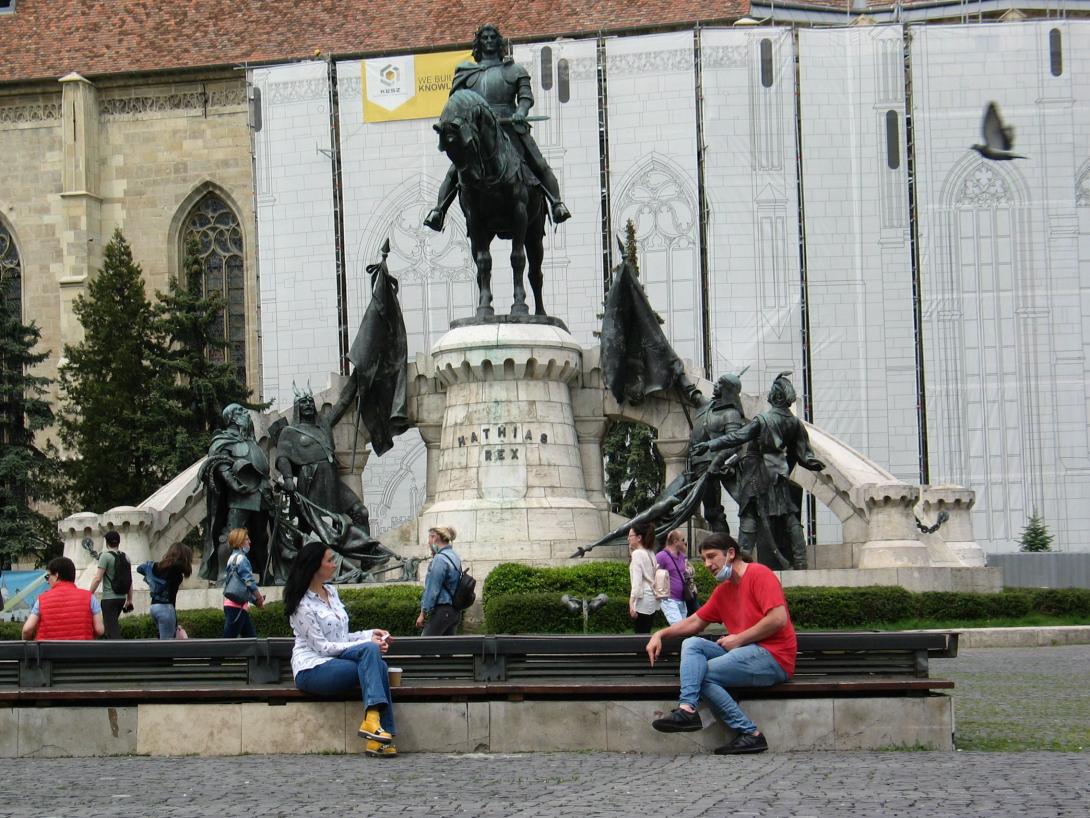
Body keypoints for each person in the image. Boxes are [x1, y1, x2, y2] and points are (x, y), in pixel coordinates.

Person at [645, 533, 796, 755]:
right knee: (693, 644)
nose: (707, 564)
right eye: (704, 559)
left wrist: (739, 638)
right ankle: (687, 709)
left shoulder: (759, 574)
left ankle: (750, 734)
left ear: (731, 553)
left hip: (774, 656)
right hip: (745, 653)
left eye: (712, 556)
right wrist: (660, 634)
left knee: (703, 674)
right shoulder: (724, 591)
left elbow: (778, 618)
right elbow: (695, 622)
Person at [423, 22, 571, 231]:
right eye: (485, 38)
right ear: (478, 43)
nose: (489, 41)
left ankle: (557, 203)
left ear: (499, 42)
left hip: (509, 126)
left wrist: (520, 113)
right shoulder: (466, 72)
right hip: (478, 131)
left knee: (538, 163)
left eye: (493, 37)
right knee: (455, 171)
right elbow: (457, 103)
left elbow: (526, 98)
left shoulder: (515, 70)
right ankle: (439, 211)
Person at [691, 372, 825, 570]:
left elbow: (736, 437)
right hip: (779, 473)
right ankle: (801, 561)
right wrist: (813, 463)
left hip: (756, 474)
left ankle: (741, 563)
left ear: (776, 397)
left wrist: (709, 445)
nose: (769, 394)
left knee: (749, 516)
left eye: (772, 392)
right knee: (790, 516)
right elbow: (806, 455)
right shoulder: (794, 423)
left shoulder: (763, 420)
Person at [284, 541, 398, 758]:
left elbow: (342, 638)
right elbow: (323, 647)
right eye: (329, 561)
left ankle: (373, 723)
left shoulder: (332, 593)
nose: (335, 564)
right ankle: (378, 734)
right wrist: (367, 645)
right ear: (315, 567)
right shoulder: (301, 605)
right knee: (375, 662)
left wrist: (370, 634)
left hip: (338, 662)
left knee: (377, 662)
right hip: (313, 669)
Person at [200, 403, 271, 583]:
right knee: (232, 535)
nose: (245, 413)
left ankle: (265, 574)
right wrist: (233, 482)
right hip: (241, 495)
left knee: (261, 537)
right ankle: (223, 575)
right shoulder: (224, 439)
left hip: (261, 494)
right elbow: (218, 462)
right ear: (231, 417)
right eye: (240, 411)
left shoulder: (251, 442)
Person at [687, 373, 748, 534]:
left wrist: (717, 462)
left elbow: (734, 442)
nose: (716, 385)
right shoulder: (707, 406)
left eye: (720, 384)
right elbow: (693, 394)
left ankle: (722, 549)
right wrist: (678, 373)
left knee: (713, 512)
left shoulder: (731, 413)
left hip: (712, 467)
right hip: (694, 465)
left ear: (728, 389)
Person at [21, 557, 105, 640]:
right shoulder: (90, 597)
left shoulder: (42, 599)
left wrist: (27, 644)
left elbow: (27, 629)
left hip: (48, 652)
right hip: (81, 651)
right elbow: (99, 630)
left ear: (57, 575)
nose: (48, 581)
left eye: (48, 576)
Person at [137, 543, 193, 640]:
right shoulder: (177, 570)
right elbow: (172, 598)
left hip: (154, 607)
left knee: (162, 640)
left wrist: (152, 577)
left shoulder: (156, 566)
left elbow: (140, 568)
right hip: (166, 608)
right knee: (167, 645)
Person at [87, 530, 134, 639]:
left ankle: (120, 653)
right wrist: (129, 600)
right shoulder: (126, 557)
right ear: (119, 542)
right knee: (112, 626)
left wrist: (89, 594)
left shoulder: (105, 556)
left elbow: (98, 578)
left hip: (109, 598)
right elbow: (129, 580)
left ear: (107, 543)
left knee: (111, 630)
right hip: (121, 598)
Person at [415, 526, 462, 636]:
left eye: (429, 539)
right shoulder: (454, 556)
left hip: (442, 611)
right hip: (454, 611)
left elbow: (432, 589)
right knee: (446, 650)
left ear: (434, 538)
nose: (428, 543)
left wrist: (423, 613)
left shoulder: (440, 558)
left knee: (424, 648)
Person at [222, 528, 265, 638]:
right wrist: (259, 598)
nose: (249, 542)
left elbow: (239, 584)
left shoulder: (231, 558)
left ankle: (257, 656)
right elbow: (249, 582)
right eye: (246, 539)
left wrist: (254, 601)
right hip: (237, 607)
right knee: (226, 643)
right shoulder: (242, 559)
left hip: (234, 605)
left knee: (251, 639)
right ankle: (216, 656)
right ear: (240, 542)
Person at [656, 529, 695, 625]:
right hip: (669, 598)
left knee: (682, 627)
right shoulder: (661, 556)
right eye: (682, 540)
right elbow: (654, 574)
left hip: (682, 598)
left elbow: (690, 572)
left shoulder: (681, 556)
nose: (685, 542)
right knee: (678, 626)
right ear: (675, 541)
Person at [627, 521, 659, 634]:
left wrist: (631, 603)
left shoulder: (637, 554)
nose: (628, 539)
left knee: (639, 636)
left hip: (642, 601)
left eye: (630, 536)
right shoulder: (650, 552)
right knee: (646, 633)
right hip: (652, 599)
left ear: (639, 537)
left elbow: (637, 583)